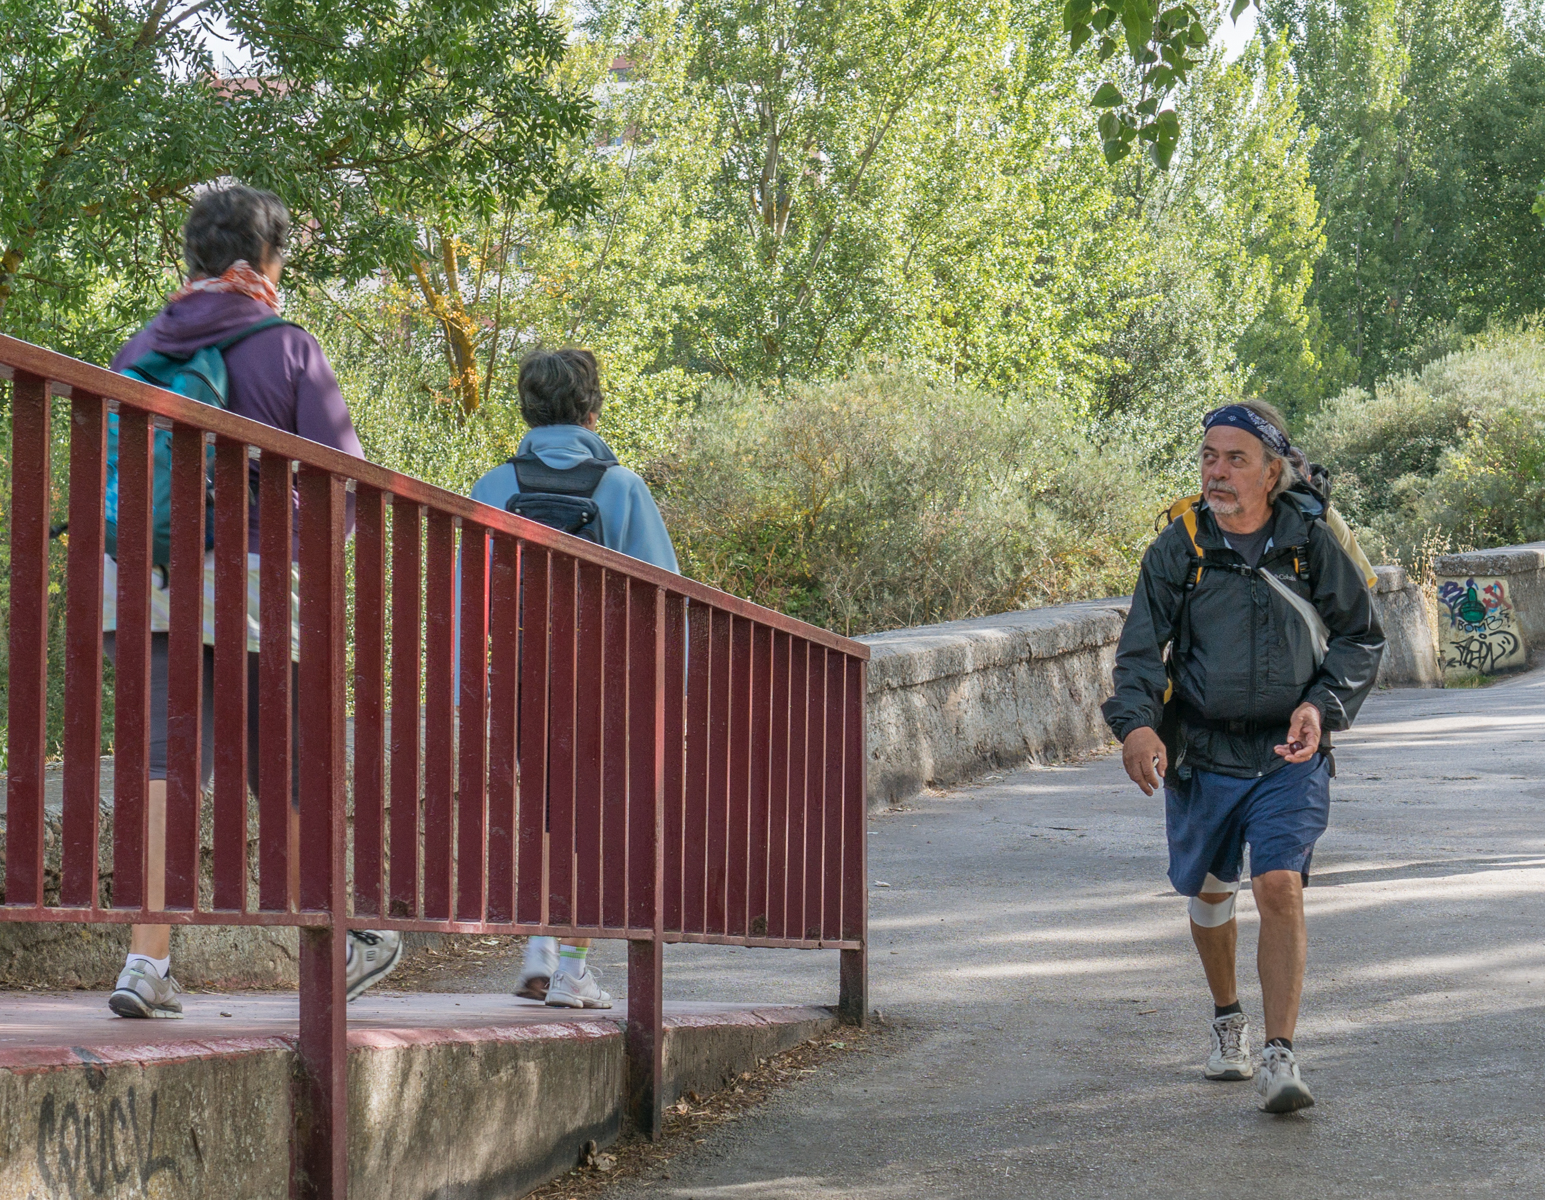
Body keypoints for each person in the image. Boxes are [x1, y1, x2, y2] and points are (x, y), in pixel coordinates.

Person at [103, 184, 402, 1017]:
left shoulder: (141, 346)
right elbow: (341, 491)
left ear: (193, 258)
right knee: (290, 762)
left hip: (143, 580)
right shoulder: (288, 348)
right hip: (254, 584)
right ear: (266, 260)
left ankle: (144, 961)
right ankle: (336, 940)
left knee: (166, 761)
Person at [1101, 399, 1384, 1113]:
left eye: (1235, 459)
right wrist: (1137, 727)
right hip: (1201, 748)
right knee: (1209, 891)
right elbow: (1139, 651)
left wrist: (1319, 707)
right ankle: (1227, 1016)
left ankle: (1279, 1054)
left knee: (1279, 884)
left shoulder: (1311, 540)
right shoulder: (1179, 547)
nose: (1216, 472)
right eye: (1208, 457)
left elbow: (1359, 636)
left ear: (1273, 470)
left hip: (1287, 750)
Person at [466, 348, 679, 1009]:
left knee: (539, 810)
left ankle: (537, 947)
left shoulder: (492, 486)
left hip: (519, 678)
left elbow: (464, 596)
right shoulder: (621, 490)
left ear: (527, 407)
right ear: (593, 407)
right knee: (596, 819)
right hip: (600, 682)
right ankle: (573, 969)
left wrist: (463, 686)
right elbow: (662, 597)